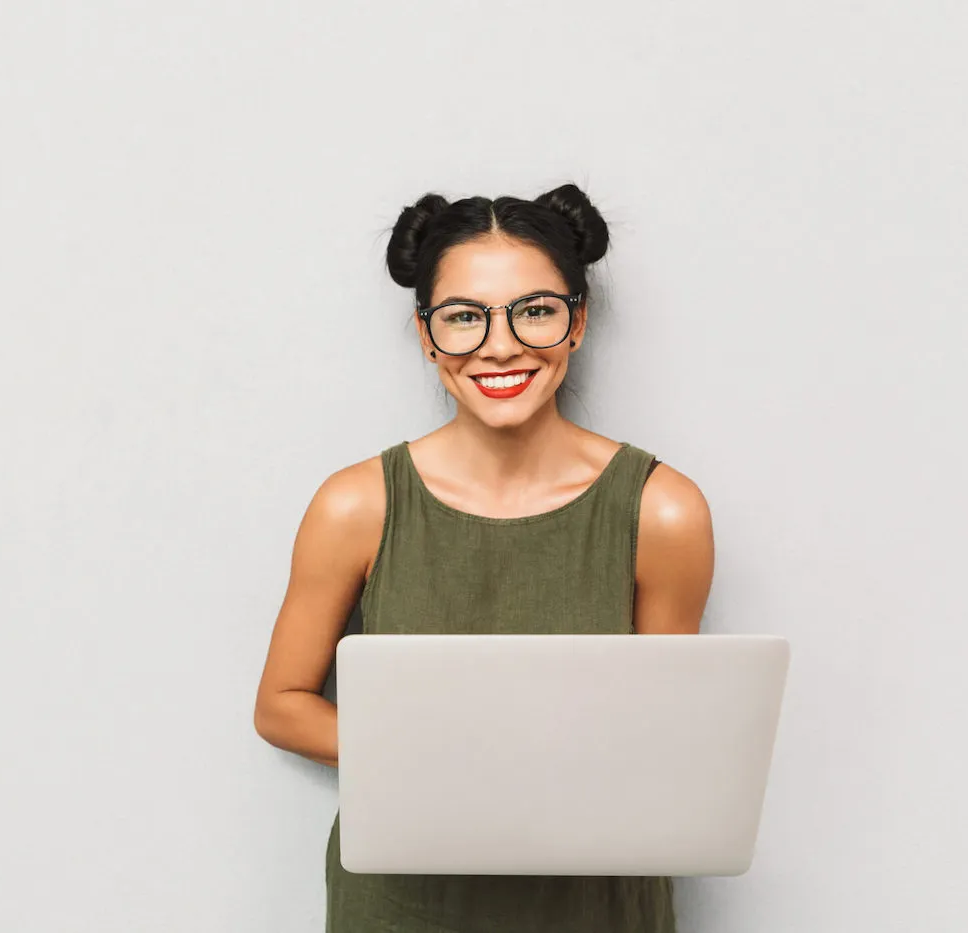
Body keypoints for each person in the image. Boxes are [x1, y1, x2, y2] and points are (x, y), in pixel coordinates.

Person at [252, 183, 716, 932]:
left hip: (596, 905)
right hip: (407, 903)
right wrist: (450, 756)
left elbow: (664, 731)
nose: (501, 346)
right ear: (427, 334)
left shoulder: (662, 510)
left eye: (534, 309)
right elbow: (280, 704)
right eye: (465, 317)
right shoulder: (356, 505)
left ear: (578, 321)